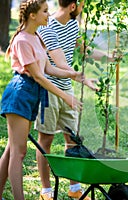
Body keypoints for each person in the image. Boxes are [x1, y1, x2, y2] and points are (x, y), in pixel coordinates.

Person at [0, 0, 82, 199]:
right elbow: (38, 76)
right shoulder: (22, 40)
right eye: (45, 11)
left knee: (12, 149)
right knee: (18, 153)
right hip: (20, 94)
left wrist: (74, 75)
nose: (49, 14)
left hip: (31, 95)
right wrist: (65, 96)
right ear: (32, 15)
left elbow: (49, 68)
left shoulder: (37, 37)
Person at [34, 0, 115, 199]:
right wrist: (83, 79)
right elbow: (59, 62)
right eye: (82, 5)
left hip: (67, 88)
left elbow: (82, 49)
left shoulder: (72, 24)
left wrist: (107, 56)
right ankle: (45, 190)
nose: (82, 9)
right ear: (73, 6)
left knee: (73, 140)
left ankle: (74, 188)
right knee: (46, 139)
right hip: (49, 90)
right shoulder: (47, 26)